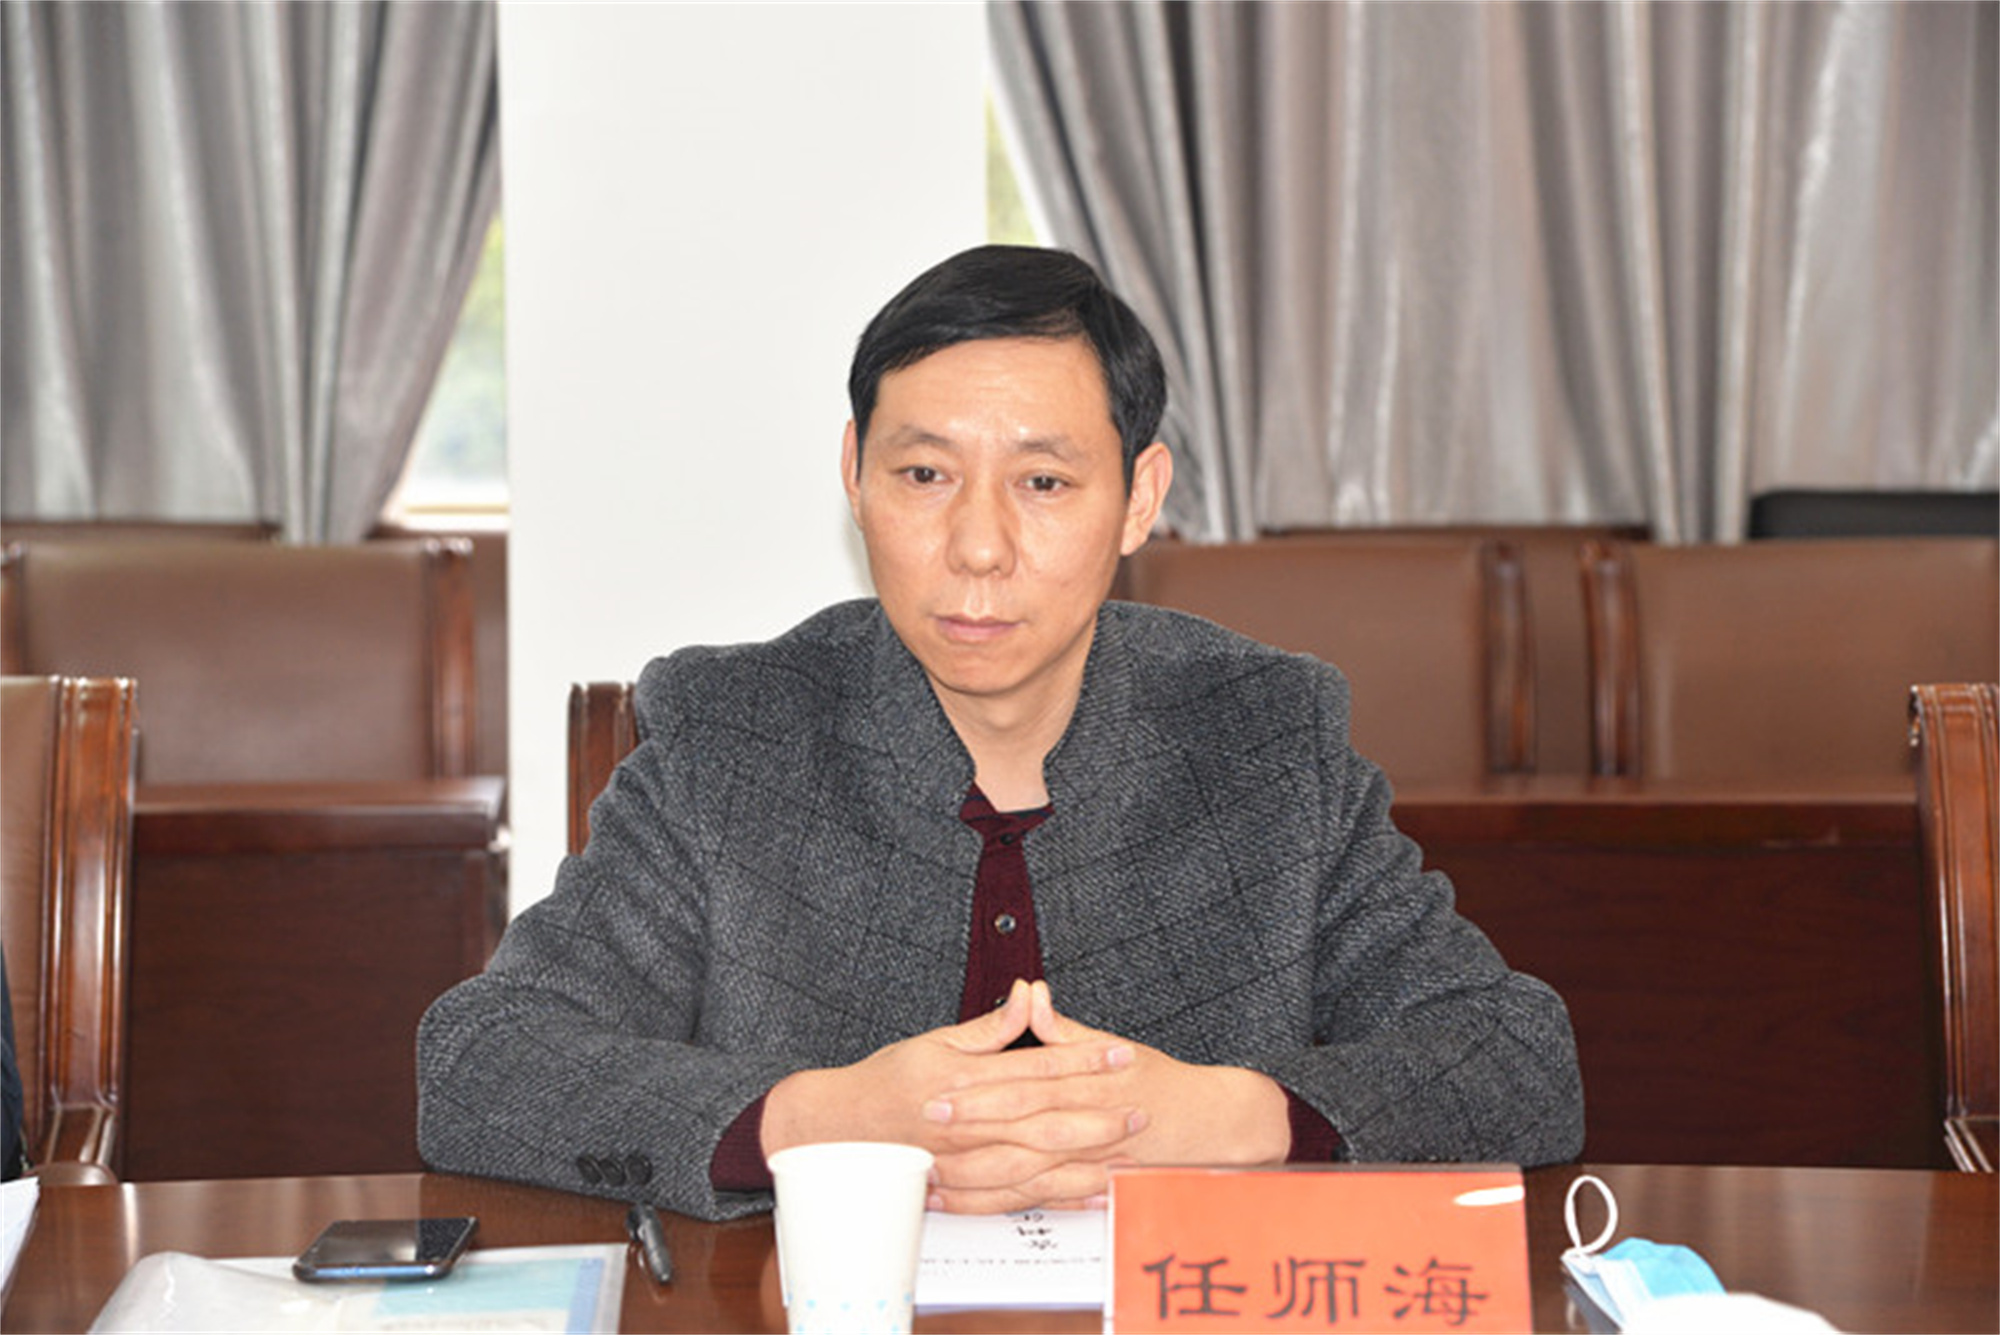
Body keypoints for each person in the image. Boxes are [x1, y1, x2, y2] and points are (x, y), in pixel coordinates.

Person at [416, 245, 1583, 1222]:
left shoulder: (1261, 738)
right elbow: (481, 1061)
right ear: (853, 475)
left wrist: (1225, 1117)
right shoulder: (735, 738)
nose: (977, 548)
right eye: (924, 473)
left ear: (1138, 497)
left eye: (1042, 484)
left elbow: (1513, 1058)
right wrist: (826, 1122)